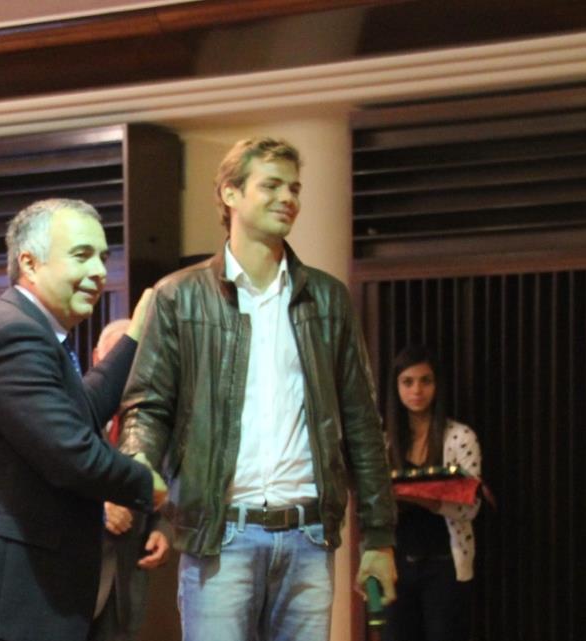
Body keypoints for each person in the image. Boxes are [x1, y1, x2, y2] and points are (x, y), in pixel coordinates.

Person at [120, 137, 397, 641]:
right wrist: (137, 463)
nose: (287, 197)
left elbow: (361, 422)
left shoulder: (327, 298)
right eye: (271, 185)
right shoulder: (179, 296)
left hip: (309, 536)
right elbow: (148, 405)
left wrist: (378, 536)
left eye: (294, 188)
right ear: (230, 193)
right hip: (221, 536)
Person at [0, 198, 163, 641]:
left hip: (8, 603)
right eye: (81, 255)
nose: (99, 271)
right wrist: (145, 483)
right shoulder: (13, 334)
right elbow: (71, 454)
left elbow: (80, 410)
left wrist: (137, 334)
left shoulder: (30, 331)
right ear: (29, 262)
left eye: (103, 258)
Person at [382, 345, 482, 641]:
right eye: (408, 382)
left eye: (425, 381)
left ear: (437, 385)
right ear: (396, 387)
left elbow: (470, 506)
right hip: (395, 564)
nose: (417, 390)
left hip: (446, 564)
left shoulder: (460, 437)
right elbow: (370, 506)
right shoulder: (382, 440)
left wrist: (415, 496)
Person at [89, 319, 171, 641]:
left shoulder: (154, 416)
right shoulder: (74, 407)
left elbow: (169, 476)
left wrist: (162, 529)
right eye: (116, 358)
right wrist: (100, 509)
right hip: (77, 575)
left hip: (129, 574)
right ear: (97, 358)